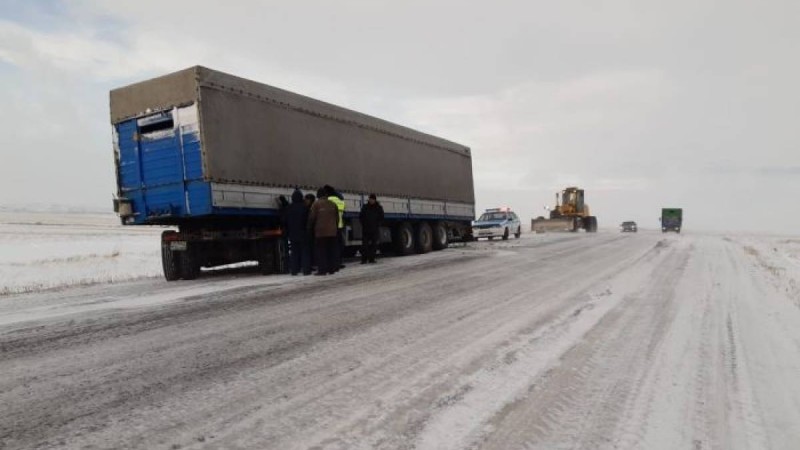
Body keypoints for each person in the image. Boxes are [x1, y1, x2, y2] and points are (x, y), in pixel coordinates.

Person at [308, 188, 339, 275]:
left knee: (321, 252)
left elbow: (312, 218)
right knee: (331, 251)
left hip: (320, 232)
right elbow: (337, 218)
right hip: (332, 232)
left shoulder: (316, 204)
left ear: (318, 195)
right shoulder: (333, 204)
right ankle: (331, 269)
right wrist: (335, 228)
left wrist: (309, 228)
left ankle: (322, 270)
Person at [284, 189, 311, 276]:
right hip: (303, 233)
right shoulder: (305, 208)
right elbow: (308, 220)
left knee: (294, 252)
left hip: (292, 233)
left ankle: (294, 270)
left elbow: (283, 219)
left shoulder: (289, 208)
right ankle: (306, 270)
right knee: (305, 252)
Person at [325, 185, 346, 271]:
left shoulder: (326, 201)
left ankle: (329, 263)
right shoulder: (341, 202)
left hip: (329, 227)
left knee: (328, 247)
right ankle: (338, 263)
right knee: (337, 247)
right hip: (339, 226)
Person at [359, 193, 384, 264]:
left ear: (375, 200)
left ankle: (372, 259)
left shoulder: (378, 208)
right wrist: (363, 224)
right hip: (366, 229)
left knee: (374, 245)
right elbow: (361, 217)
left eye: (372, 199)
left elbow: (382, 217)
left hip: (374, 229)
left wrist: (378, 225)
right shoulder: (365, 207)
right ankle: (364, 259)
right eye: (370, 199)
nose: (371, 200)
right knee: (365, 245)